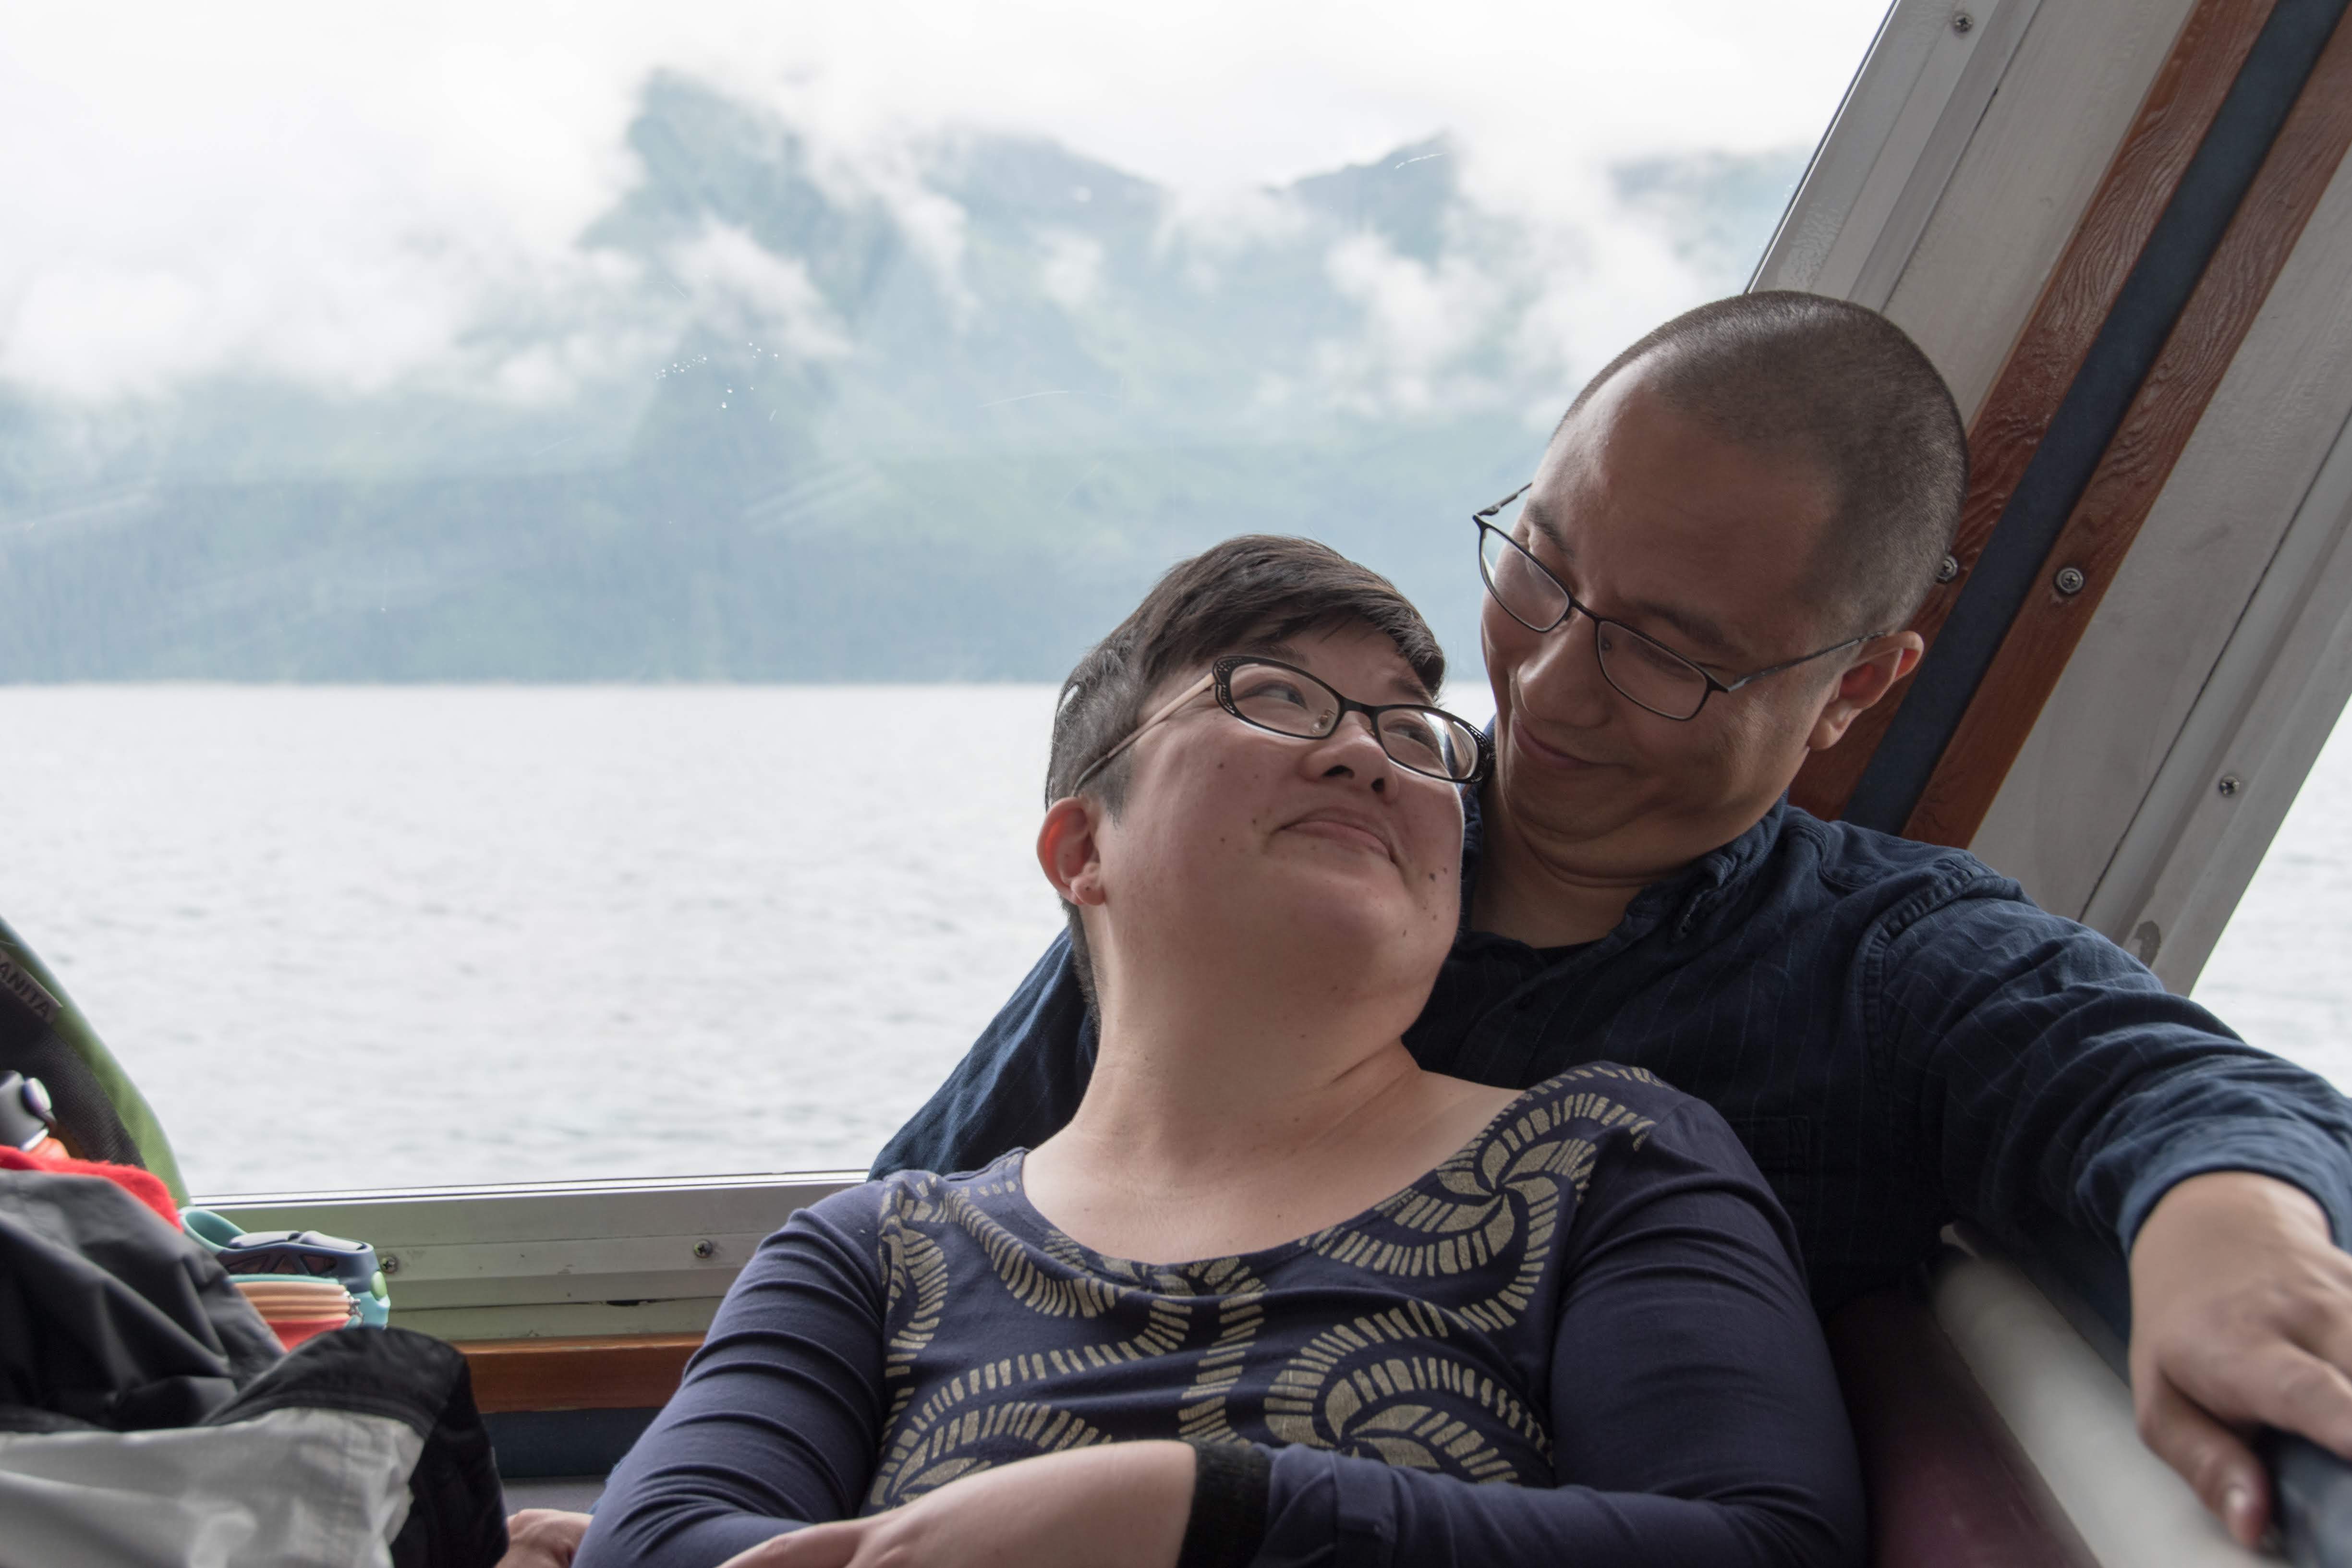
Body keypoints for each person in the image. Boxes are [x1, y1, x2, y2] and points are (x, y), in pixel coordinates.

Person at [882, 291, 2352, 1548]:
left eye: (1668, 651)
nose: (1550, 686)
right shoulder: (1292, 873)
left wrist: (2225, 1221)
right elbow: (905, 1234)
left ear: (1854, 688)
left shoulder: (1878, 969)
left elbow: (2177, 1087)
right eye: (1541, 568)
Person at [573, 538, 1862, 1568]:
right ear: (1082, 850)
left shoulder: (1605, 1163)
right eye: (1278, 698)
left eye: (1413, 735)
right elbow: (665, 1544)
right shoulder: (872, 1251)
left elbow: (1761, 1544)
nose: (1364, 751)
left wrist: (1199, 1510)